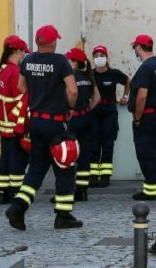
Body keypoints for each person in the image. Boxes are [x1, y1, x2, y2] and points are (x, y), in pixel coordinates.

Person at [5, 25, 82, 230]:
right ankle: (63, 215)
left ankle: (18, 207)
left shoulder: (28, 60)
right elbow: (73, 91)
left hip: (36, 121)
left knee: (37, 167)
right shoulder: (60, 62)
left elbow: (21, 87)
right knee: (65, 164)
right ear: (54, 42)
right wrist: (70, 107)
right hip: (57, 121)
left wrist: (38, 91)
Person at [129, 34, 156, 201]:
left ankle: (151, 190)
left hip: (148, 117)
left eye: (135, 47)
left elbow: (141, 96)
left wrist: (138, 118)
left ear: (139, 47)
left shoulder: (146, 68)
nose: (135, 50)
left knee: (146, 152)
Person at [0, 35, 30, 204]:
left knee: (5, 157)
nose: (24, 55)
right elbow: (22, 98)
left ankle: (2, 191)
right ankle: (16, 191)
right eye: (23, 52)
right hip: (15, 123)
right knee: (17, 158)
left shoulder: (0, 68)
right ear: (16, 50)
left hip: (3, 123)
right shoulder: (15, 72)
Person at [89, 45, 130, 188]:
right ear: (93, 59)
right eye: (96, 55)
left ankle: (105, 176)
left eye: (101, 55)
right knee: (94, 144)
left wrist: (125, 96)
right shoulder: (90, 74)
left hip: (109, 111)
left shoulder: (114, 73)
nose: (99, 58)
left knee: (107, 144)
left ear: (106, 57)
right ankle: (93, 176)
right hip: (94, 112)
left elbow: (128, 81)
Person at [65, 48, 101, 202]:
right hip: (87, 118)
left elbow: (70, 95)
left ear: (74, 62)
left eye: (69, 60)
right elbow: (97, 97)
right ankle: (82, 190)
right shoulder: (88, 76)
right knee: (84, 155)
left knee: (69, 154)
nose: (66, 62)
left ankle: (66, 190)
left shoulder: (70, 76)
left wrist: (70, 109)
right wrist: (87, 109)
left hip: (73, 120)